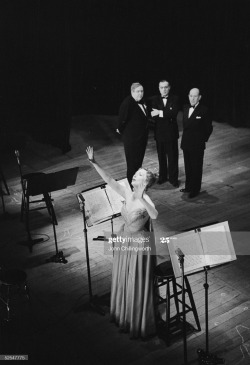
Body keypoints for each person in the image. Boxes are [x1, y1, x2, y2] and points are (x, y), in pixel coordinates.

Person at [86, 146, 158, 339]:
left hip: (139, 246)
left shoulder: (147, 198)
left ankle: (136, 319)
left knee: (135, 279)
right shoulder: (127, 192)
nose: (135, 175)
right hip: (124, 239)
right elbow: (109, 180)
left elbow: (155, 215)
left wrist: (142, 199)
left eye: (139, 175)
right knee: (123, 276)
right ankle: (122, 314)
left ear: (145, 182)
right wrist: (94, 163)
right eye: (136, 173)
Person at [180, 88, 213, 198]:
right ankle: (188, 187)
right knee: (188, 167)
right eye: (191, 96)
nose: (192, 98)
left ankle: (195, 189)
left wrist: (201, 140)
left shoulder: (204, 110)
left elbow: (208, 128)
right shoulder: (185, 108)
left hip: (197, 144)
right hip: (186, 143)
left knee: (196, 168)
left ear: (199, 97)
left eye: (195, 96)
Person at [116, 82, 149, 186]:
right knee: (132, 165)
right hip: (132, 140)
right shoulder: (128, 102)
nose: (140, 93)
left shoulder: (143, 101)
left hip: (141, 139)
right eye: (138, 91)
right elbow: (122, 119)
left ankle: (138, 185)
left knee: (138, 164)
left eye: (142, 91)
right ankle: (131, 187)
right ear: (132, 92)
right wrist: (121, 130)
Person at [150, 80, 179, 186]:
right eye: (161, 87)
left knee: (173, 157)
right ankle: (162, 177)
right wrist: (166, 114)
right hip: (160, 133)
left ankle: (173, 179)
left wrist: (160, 112)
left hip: (171, 134)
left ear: (169, 87)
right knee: (161, 157)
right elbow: (153, 114)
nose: (164, 89)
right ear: (159, 88)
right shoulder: (154, 99)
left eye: (166, 87)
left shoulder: (175, 98)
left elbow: (174, 113)